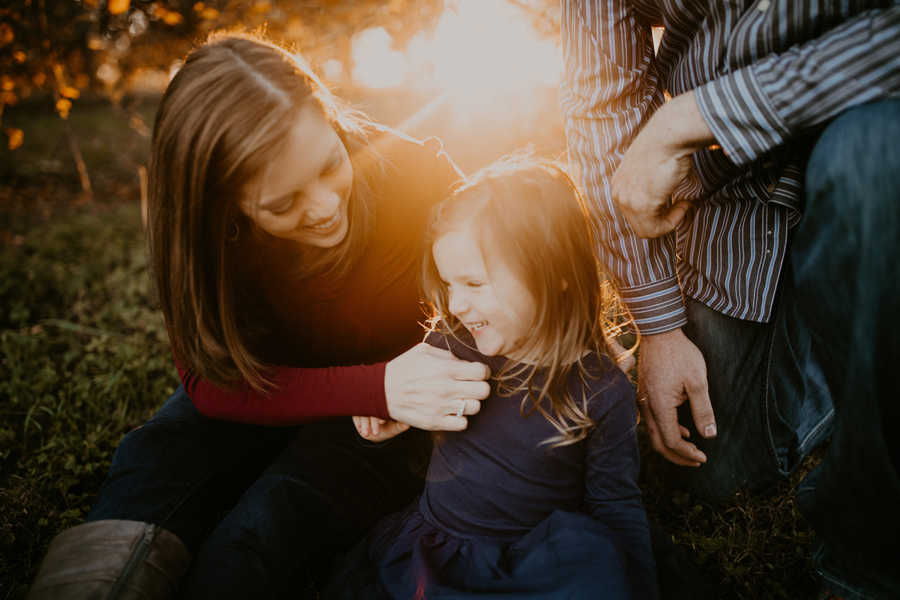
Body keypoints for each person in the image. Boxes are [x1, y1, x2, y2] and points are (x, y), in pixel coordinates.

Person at [27, 33, 492, 599]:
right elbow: (205, 380)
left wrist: (400, 383)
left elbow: (499, 310)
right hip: (271, 384)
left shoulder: (418, 176)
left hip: (387, 420)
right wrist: (372, 386)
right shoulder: (203, 239)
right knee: (155, 465)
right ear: (224, 203)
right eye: (282, 202)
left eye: (328, 165)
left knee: (261, 531)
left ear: (328, 115)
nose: (323, 206)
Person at [560, 1, 900, 597]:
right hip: (734, 186)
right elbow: (601, 112)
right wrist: (659, 327)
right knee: (721, 468)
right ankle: (843, 362)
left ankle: (865, 558)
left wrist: (697, 115)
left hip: (876, 131)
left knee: (872, 160)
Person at [324, 158, 658, 599]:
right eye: (449, 285)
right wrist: (384, 411)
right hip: (441, 548)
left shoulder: (600, 390)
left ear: (555, 273)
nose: (455, 304)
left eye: (473, 284)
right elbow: (400, 385)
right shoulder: (453, 344)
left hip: (534, 559)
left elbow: (614, 501)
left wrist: (635, 580)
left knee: (595, 566)